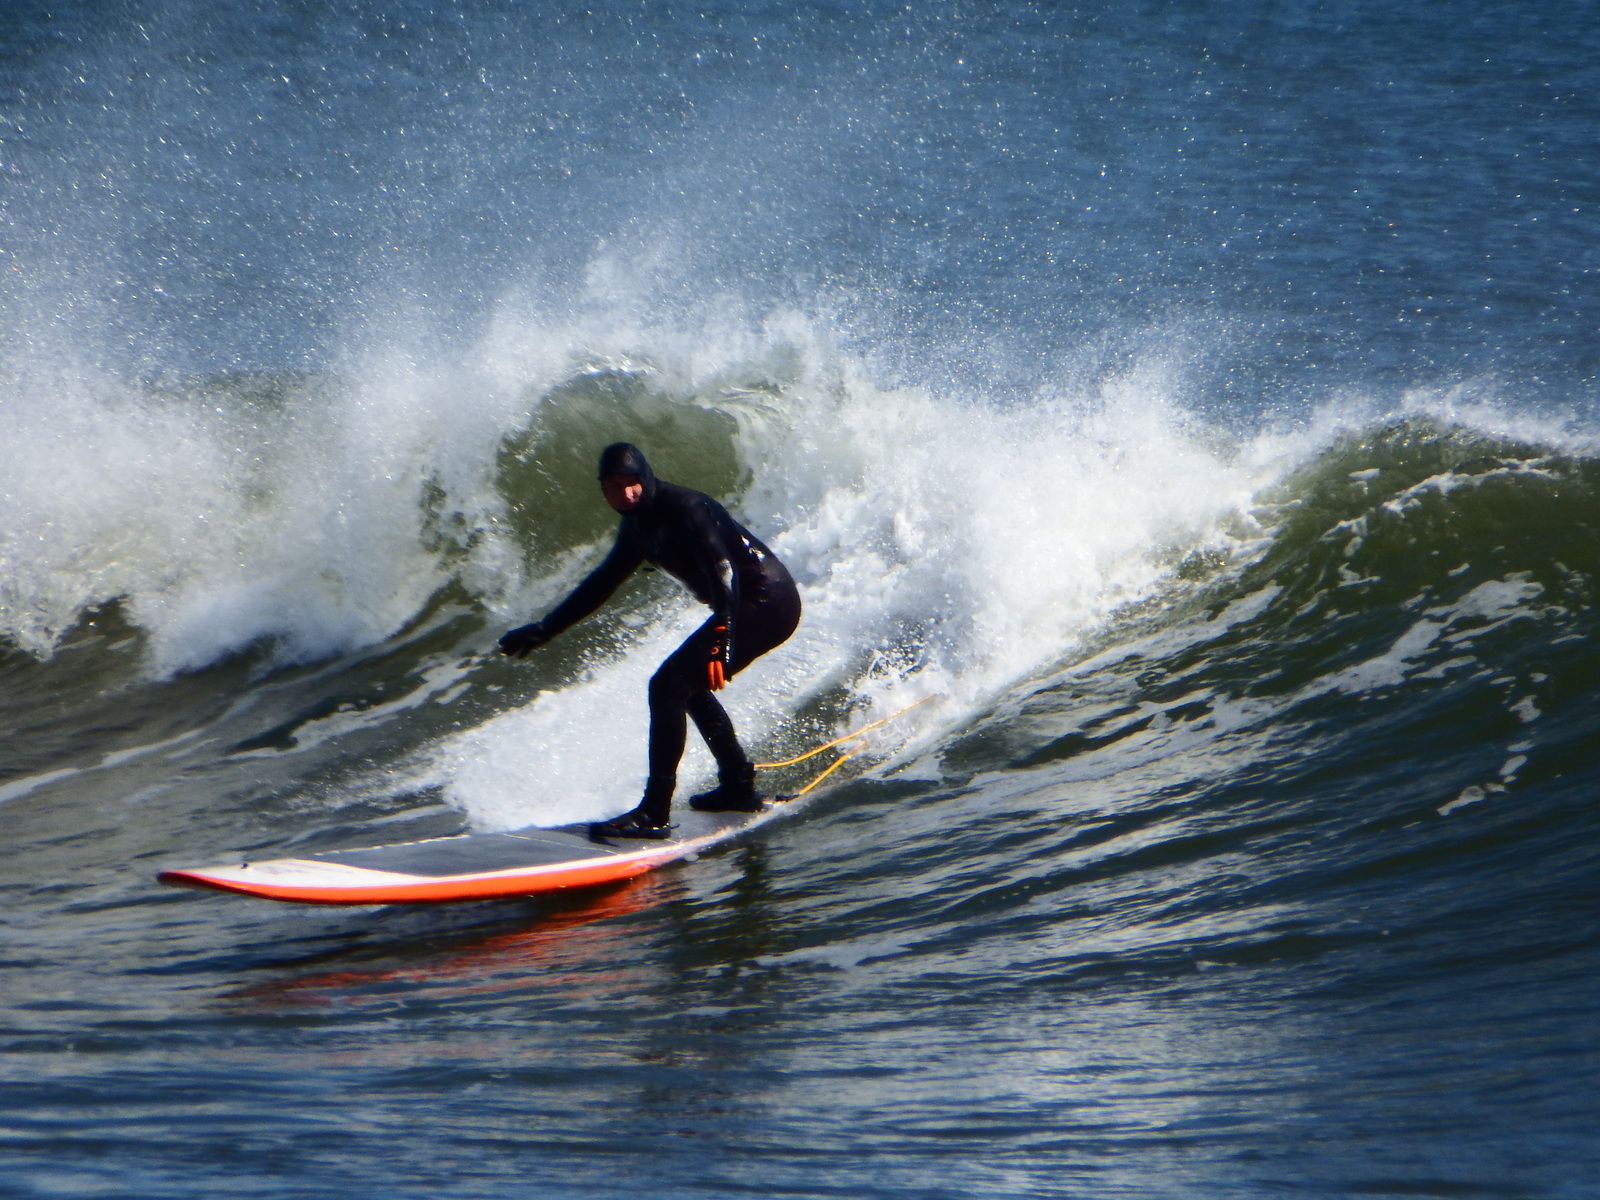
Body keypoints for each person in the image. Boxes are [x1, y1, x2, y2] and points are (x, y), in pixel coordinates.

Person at [498, 442, 801, 840]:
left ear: (647, 477)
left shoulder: (686, 508)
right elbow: (602, 583)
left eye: (633, 483)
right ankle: (737, 785)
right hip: (740, 607)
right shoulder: (636, 528)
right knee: (685, 687)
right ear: (602, 488)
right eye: (614, 486)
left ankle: (655, 812)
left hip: (766, 600)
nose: (625, 494)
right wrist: (545, 628)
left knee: (667, 686)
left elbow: (722, 567)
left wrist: (722, 635)